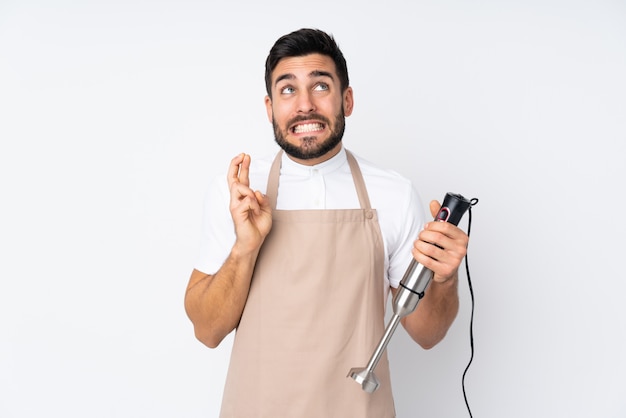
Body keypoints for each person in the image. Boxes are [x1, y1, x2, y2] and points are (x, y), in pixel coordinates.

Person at [184, 28, 469, 418]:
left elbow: (428, 333)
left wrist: (445, 278)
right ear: (269, 108)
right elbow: (207, 331)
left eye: (320, 86)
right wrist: (245, 247)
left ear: (346, 100)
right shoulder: (238, 193)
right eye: (287, 90)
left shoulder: (393, 193)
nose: (304, 105)